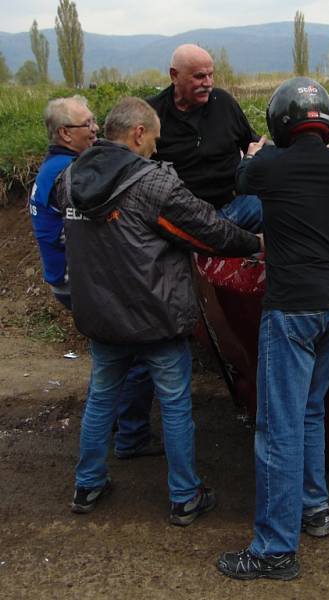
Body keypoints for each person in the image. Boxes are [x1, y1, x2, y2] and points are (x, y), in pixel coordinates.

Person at [54, 97, 262, 524]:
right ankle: (184, 494)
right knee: (174, 405)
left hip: (101, 318)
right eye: (154, 139)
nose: (156, 148)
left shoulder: (70, 178)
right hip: (155, 318)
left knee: (100, 400)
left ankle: (87, 483)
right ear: (136, 134)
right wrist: (256, 243)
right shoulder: (153, 185)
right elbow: (209, 232)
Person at [217, 77, 329, 581]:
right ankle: (314, 509)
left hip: (293, 307)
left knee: (276, 426)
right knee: (310, 411)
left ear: (280, 123)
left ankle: (275, 549)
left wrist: (255, 151)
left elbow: (240, 182)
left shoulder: (269, 165)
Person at [29, 95, 161, 460]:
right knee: (136, 355)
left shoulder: (56, 166)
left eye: (93, 121)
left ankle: (117, 423)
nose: (94, 129)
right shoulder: (71, 173)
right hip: (80, 279)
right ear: (62, 133)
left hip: (65, 276)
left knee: (114, 358)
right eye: (85, 124)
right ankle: (131, 434)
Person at [147, 44, 262, 231]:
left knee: (280, 209)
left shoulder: (224, 103)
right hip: (184, 218)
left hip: (234, 206)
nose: (208, 83)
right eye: (200, 76)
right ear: (174, 75)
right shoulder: (152, 115)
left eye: (211, 75)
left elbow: (253, 143)